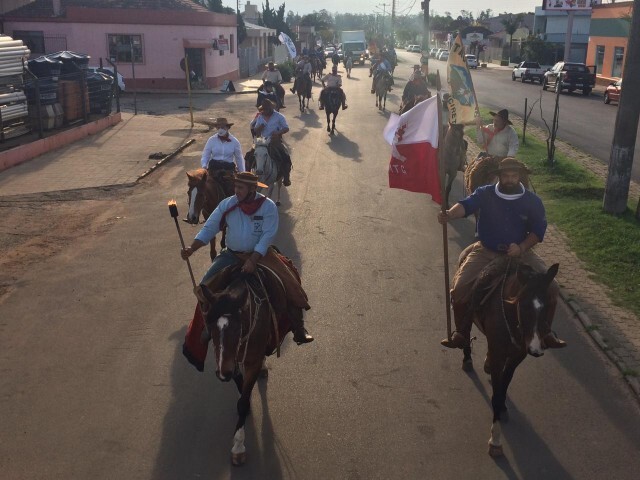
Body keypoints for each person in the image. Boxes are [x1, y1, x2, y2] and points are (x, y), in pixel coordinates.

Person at [437, 157, 566, 350]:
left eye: (514, 176)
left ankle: (546, 333)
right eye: (506, 175)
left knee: (552, 288)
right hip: (486, 251)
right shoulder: (485, 193)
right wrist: (450, 213)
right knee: (460, 287)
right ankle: (462, 333)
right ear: (499, 176)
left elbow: (538, 232)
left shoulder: (533, 201)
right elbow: (466, 205)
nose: (510, 179)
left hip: (521, 254)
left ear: (520, 177)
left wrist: (521, 247)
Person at [181, 172, 313, 344]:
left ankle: (299, 328)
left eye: (241, 188)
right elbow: (209, 228)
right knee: (205, 287)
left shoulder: (267, 206)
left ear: (252, 189)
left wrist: (253, 259)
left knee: (289, 282)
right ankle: (208, 325)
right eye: (236, 187)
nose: (237, 191)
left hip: (260, 255)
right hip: (231, 254)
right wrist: (192, 248)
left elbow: (267, 235)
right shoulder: (227, 204)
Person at [250, 98, 293, 186]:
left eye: (266, 109)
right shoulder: (260, 117)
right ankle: (248, 176)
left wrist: (278, 132)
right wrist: (259, 128)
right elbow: (255, 130)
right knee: (249, 156)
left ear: (271, 109)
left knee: (285, 157)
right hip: (262, 141)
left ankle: (286, 177)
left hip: (275, 141)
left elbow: (286, 128)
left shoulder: (279, 116)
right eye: (263, 109)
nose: (264, 111)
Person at [200, 118, 245, 195]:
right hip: (214, 168)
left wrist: (242, 173)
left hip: (228, 169)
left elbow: (239, 158)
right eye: (218, 127)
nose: (220, 129)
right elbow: (206, 154)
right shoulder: (211, 140)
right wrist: (204, 166)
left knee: (232, 190)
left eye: (223, 127)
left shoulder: (234, 142)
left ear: (228, 128)